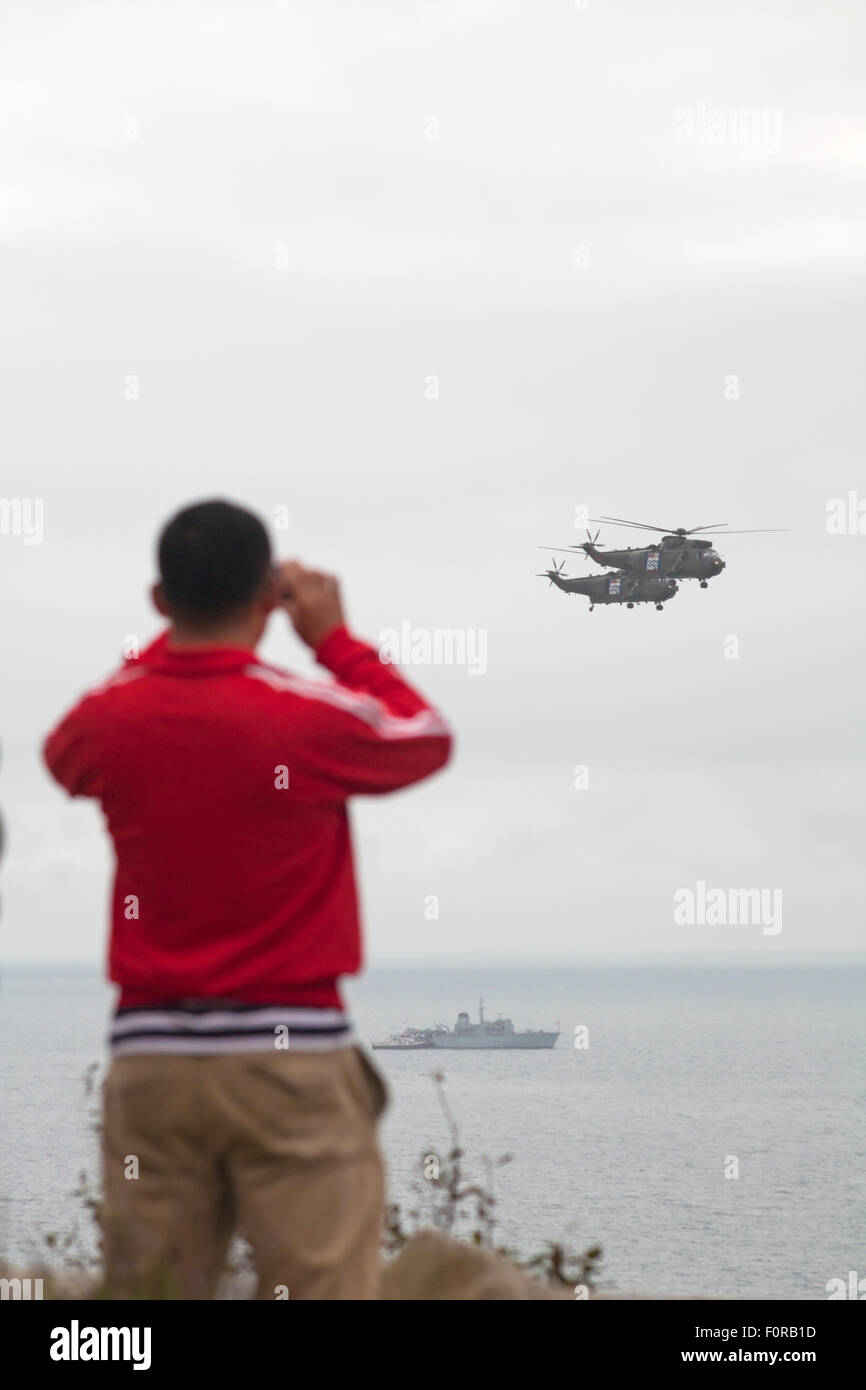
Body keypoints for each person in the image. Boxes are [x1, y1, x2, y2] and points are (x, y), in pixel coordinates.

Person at [43, 498, 452, 1299]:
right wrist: (333, 640)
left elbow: (64, 755)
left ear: (161, 601)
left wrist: (176, 649)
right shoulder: (306, 717)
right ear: (269, 598)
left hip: (152, 1056)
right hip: (290, 1055)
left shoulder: (111, 718)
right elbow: (425, 735)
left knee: (149, 1298)